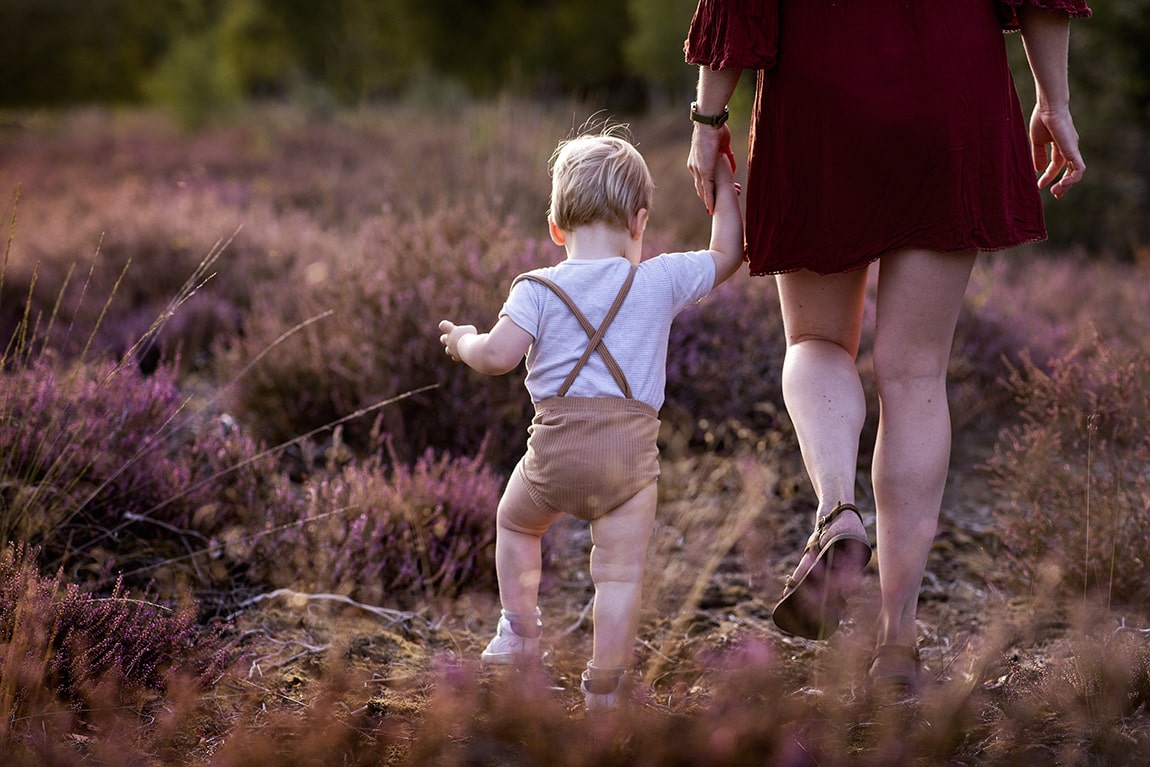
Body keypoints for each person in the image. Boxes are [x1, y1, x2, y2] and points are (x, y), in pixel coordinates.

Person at [684, 0, 1089, 694]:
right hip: (952, 92)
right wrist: (1055, 101)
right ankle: (897, 642)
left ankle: (838, 510)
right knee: (915, 374)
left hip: (819, 99)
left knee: (815, 340)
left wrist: (708, 119)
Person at [438, 127, 744, 711]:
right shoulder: (660, 279)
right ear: (639, 222)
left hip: (553, 458)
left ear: (555, 227)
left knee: (516, 524)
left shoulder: (536, 289)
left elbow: (497, 357)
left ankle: (519, 634)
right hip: (630, 469)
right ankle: (605, 691)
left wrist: (465, 341)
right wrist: (723, 182)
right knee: (620, 577)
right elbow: (728, 252)